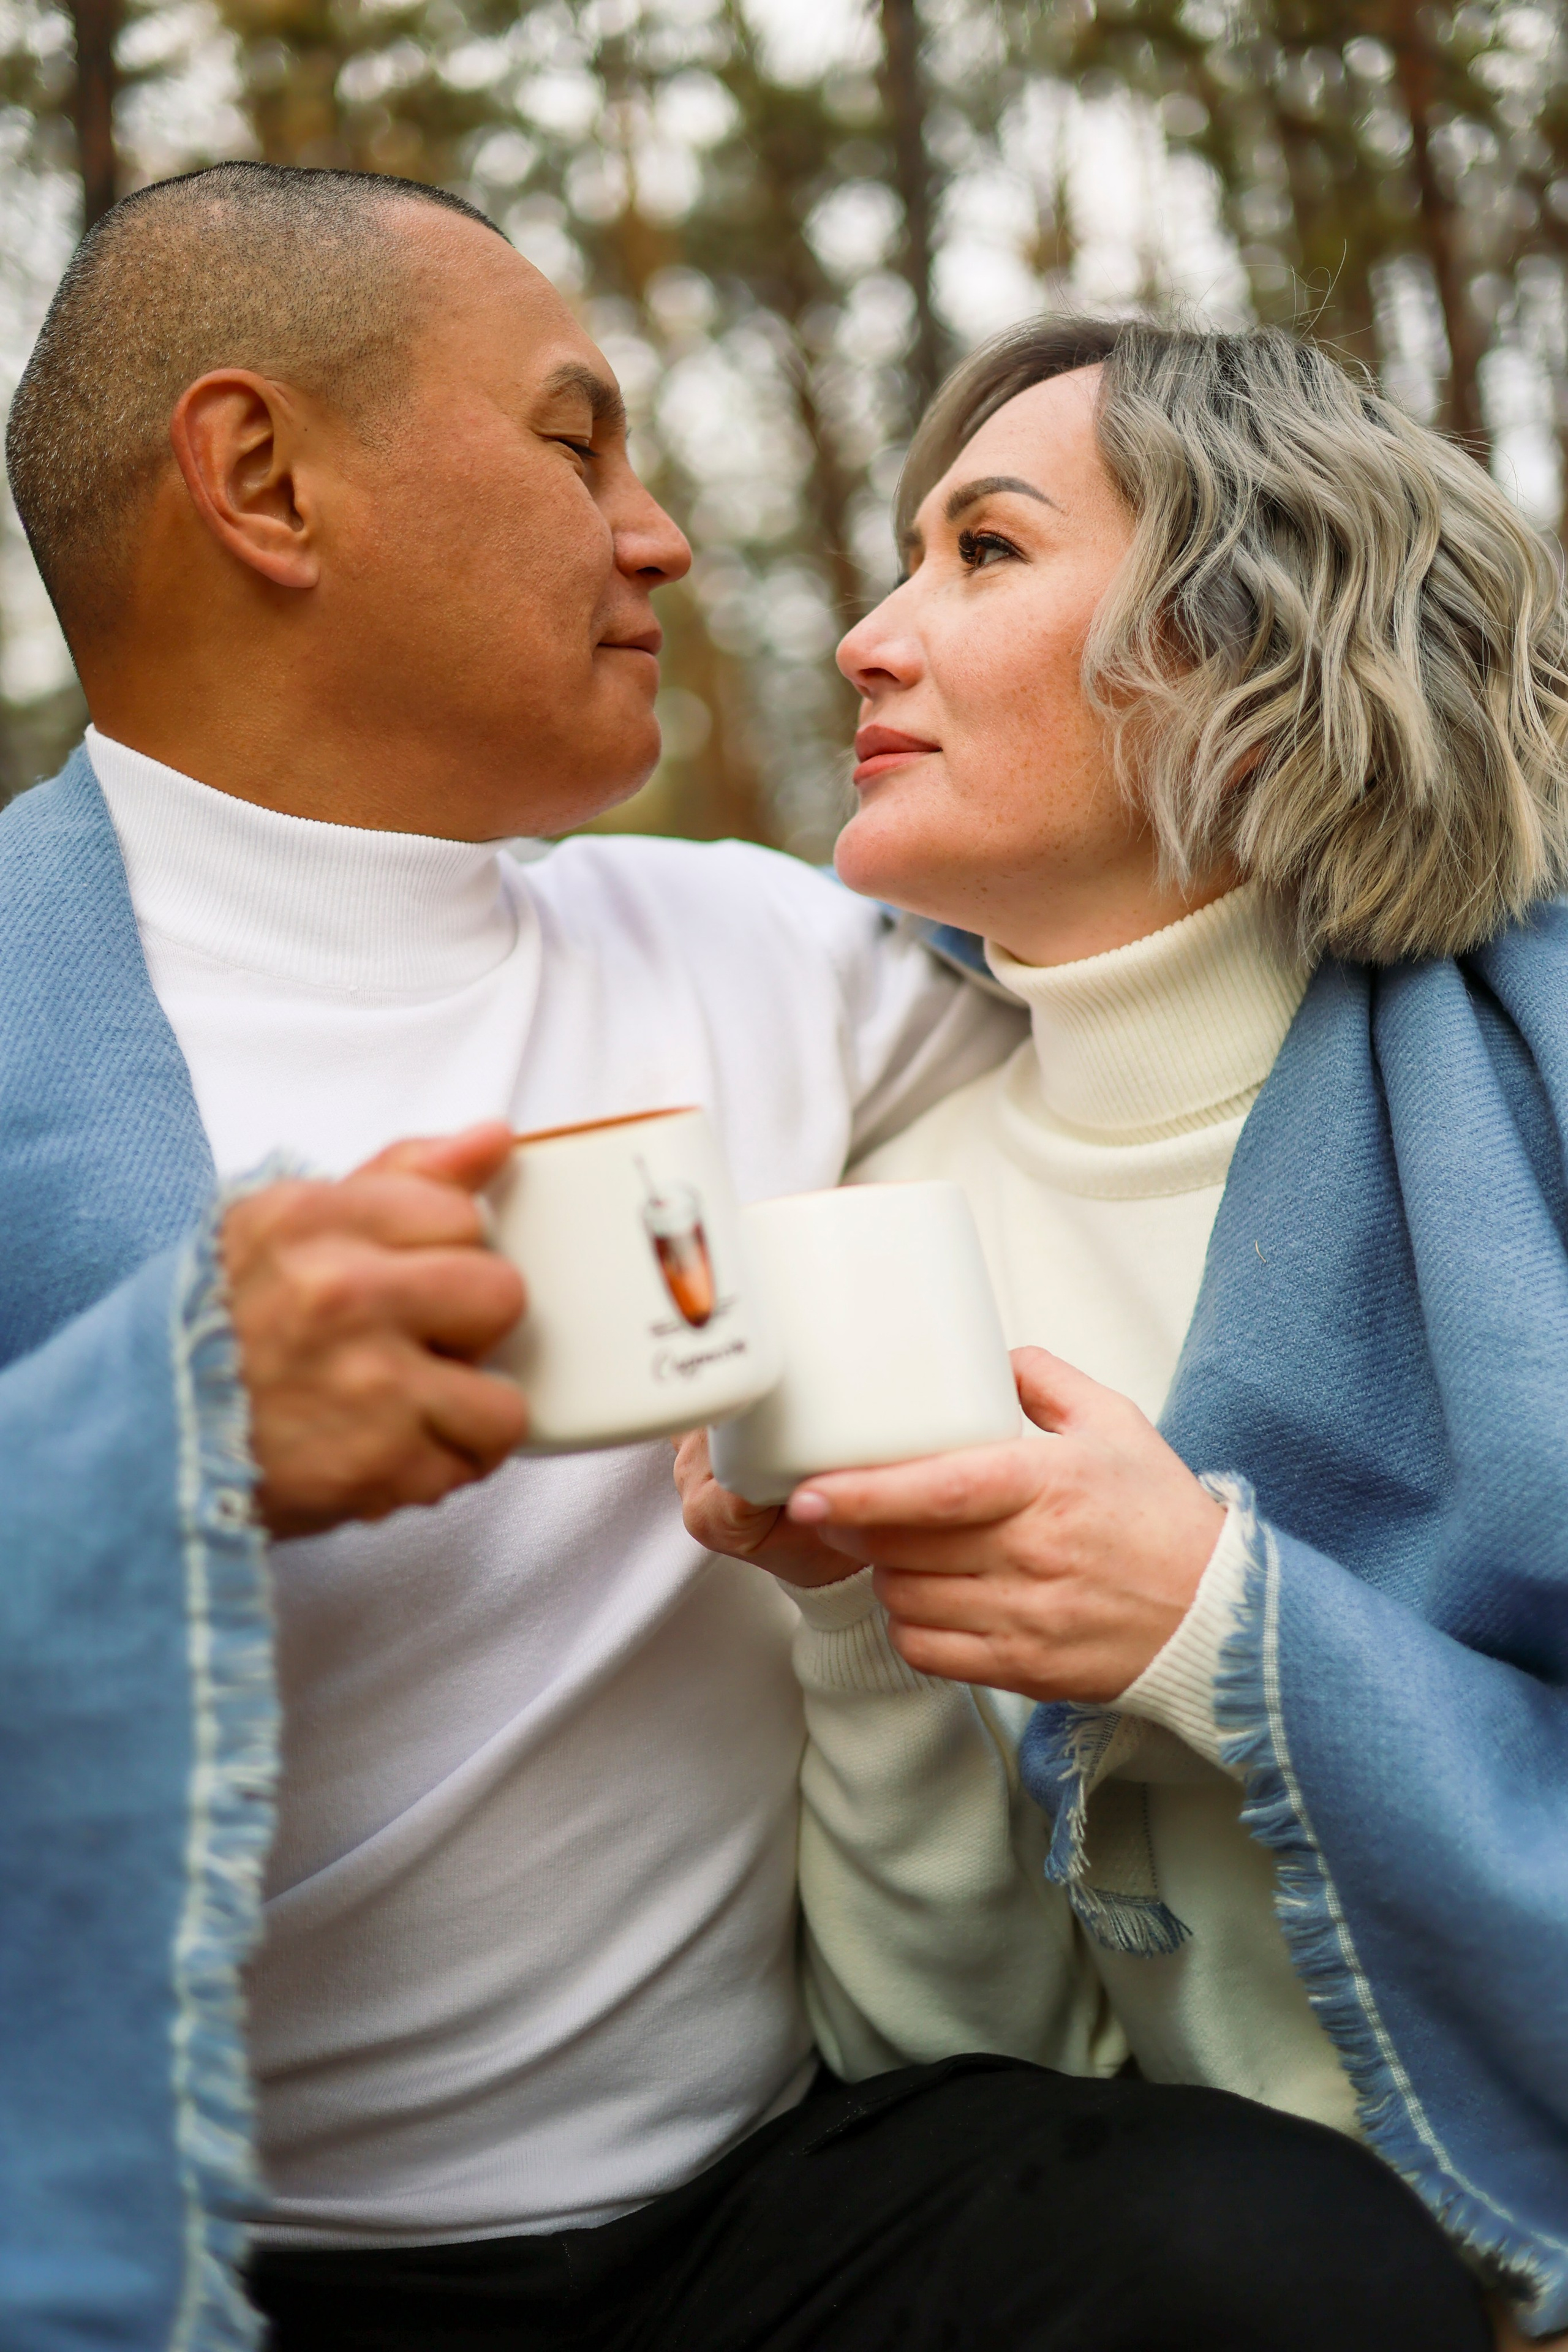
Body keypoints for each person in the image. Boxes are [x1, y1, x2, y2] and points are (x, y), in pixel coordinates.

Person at [0, 171, 1471, 2352]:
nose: (662, 535)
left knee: (1279, 2266)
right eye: (575, 441)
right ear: (266, 483)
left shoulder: (780, 951)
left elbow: (1221, 974)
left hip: (762, 2211)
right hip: (176, 2260)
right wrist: (148, 1445)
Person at [677, 317, 1568, 2348]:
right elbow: (976, 2083)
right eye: (903, 561)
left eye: (984, 551)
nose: (867, 641)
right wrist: (856, 1623)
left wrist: (1216, 1625)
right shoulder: (891, 1215)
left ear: (1249, 662)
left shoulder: (1537, 1099)